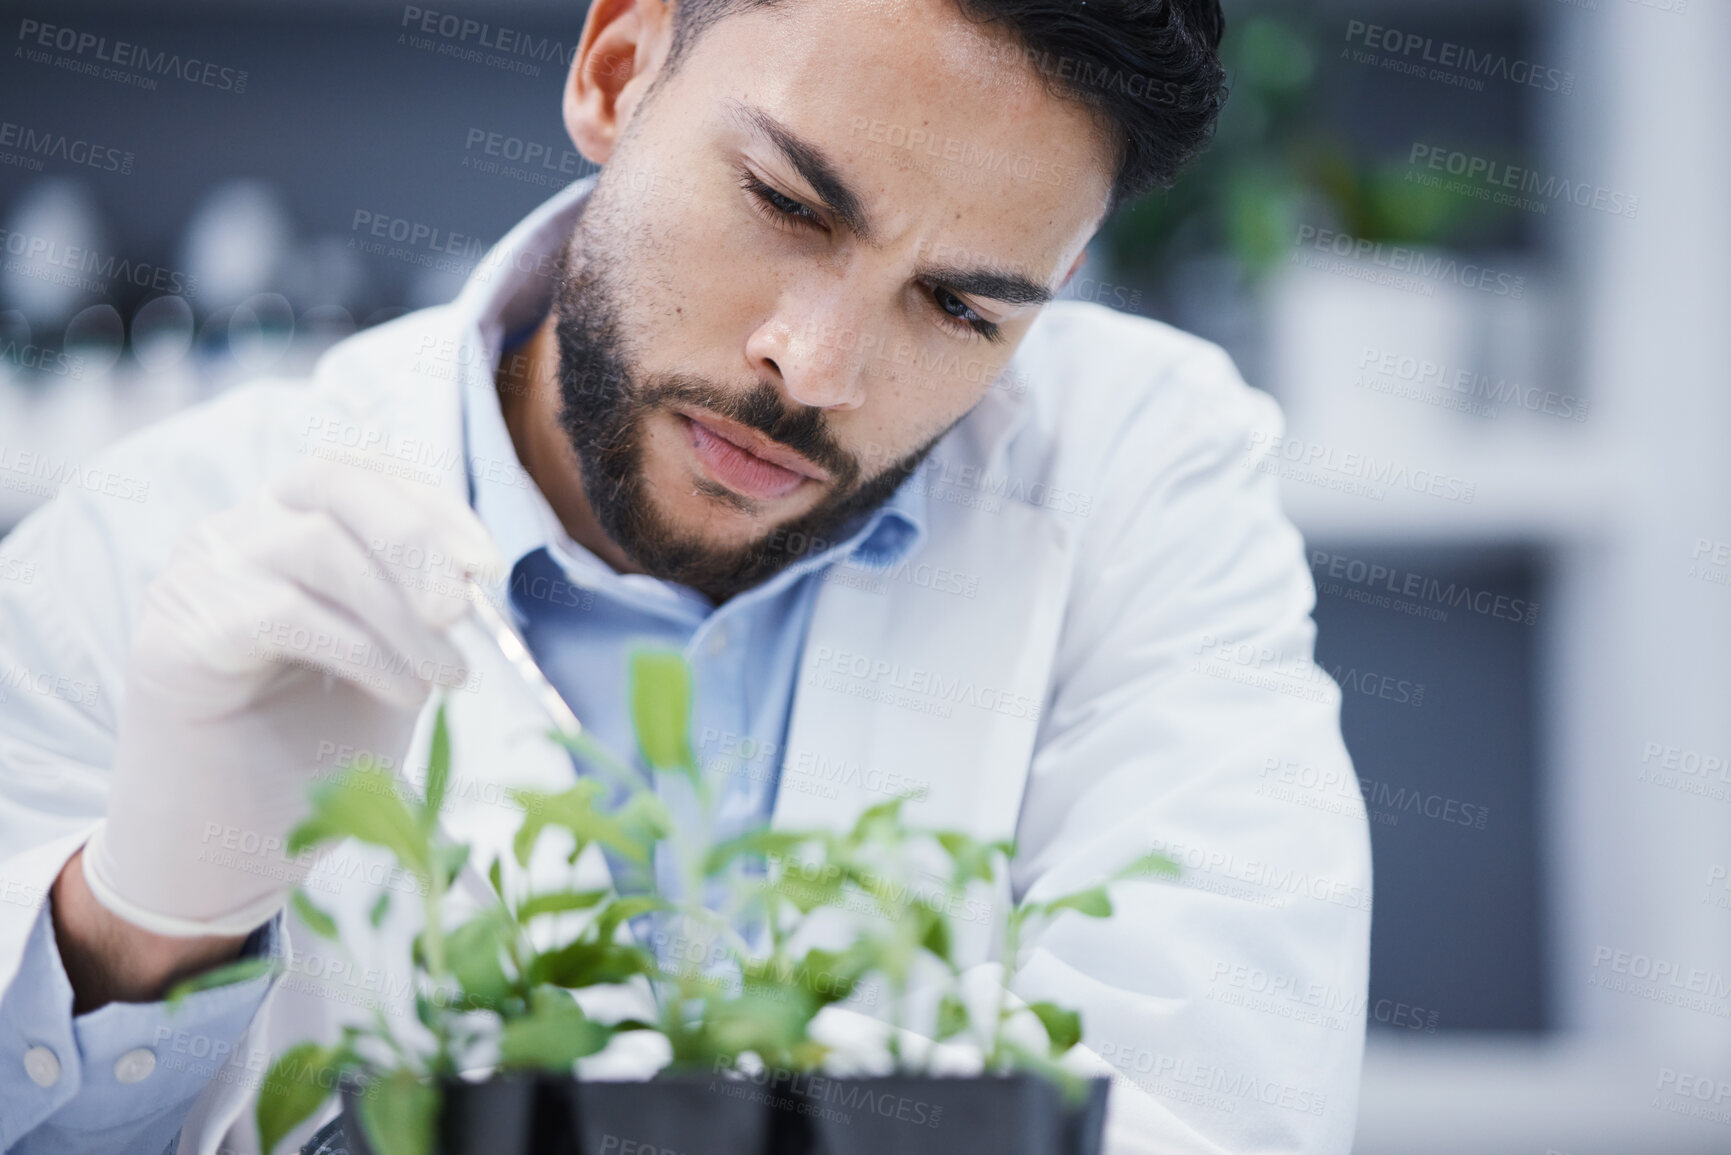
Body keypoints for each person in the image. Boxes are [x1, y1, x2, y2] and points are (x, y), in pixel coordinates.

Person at [0, 0, 1371, 1152]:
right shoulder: (156, 535)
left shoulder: (1144, 477)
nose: (816, 369)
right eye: (786, 202)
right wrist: (137, 929)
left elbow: (1219, 1103)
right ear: (616, 71)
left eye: (962, 307)